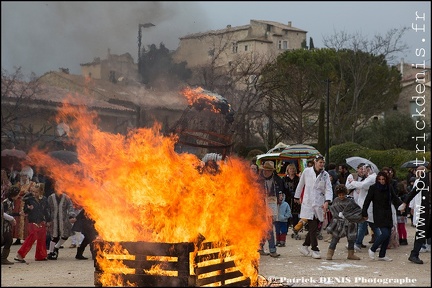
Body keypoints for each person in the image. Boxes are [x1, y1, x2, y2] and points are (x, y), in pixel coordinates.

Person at [294, 154, 333, 259]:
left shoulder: (325, 175)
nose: (322, 164)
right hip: (308, 203)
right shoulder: (307, 172)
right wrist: (297, 197)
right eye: (320, 162)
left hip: (319, 204)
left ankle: (305, 246)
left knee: (314, 228)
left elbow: (328, 189)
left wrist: (327, 201)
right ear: (315, 162)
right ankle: (315, 249)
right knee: (313, 227)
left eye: (323, 163)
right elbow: (300, 184)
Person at [363, 171, 403, 261]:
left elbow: (394, 197)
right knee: (384, 233)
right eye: (380, 179)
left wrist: (402, 205)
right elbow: (367, 200)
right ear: (377, 179)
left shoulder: (389, 187)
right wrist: (364, 212)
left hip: (388, 213)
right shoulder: (373, 188)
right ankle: (373, 248)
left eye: (383, 179)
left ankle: (382, 255)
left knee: (388, 235)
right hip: (378, 213)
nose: (381, 181)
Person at [398, 165, 430, 264]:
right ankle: (414, 254)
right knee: (421, 232)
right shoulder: (426, 177)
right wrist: (405, 203)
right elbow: (414, 191)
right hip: (426, 209)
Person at [346, 164, 379, 250]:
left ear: (369, 170)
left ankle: (358, 243)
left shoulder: (372, 178)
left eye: (364, 170)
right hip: (365, 204)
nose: (363, 172)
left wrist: (352, 181)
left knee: (366, 224)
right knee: (369, 225)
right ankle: (359, 243)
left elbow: (362, 185)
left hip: (368, 205)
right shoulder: (370, 178)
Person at [14, 183, 50, 263]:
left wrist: (48, 220)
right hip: (32, 220)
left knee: (42, 238)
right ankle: (20, 254)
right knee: (32, 236)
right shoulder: (29, 199)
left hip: (41, 220)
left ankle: (41, 255)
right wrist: (28, 208)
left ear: (41, 192)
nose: (34, 194)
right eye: (33, 191)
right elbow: (25, 211)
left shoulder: (44, 199)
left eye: (36, 192)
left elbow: (46, 211)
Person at [325, 184, 362, 260]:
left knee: (351, 239)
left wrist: (347, 215)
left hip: (350, 222)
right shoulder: (335, 200)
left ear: (345, 193)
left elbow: (357, 210)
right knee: (335, 238)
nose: (341, 196)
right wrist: (338, 216)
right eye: (339, 195)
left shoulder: (350, 201)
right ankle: (330, 253)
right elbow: (333, 210)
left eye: (343, 195)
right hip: (338, 223)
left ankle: (350, 254)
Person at [257, 161, 284, 258]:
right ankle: (272, 250)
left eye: (269, 170)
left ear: (272, 171)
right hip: (260, 206)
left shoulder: (277, 179)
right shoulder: (258, 180)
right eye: (265, 170)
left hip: (272, 205)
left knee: (266, 228)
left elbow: (281, 191)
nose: (267, 172)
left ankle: (260, 247)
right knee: (268, 228)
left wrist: (280, 197)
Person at [47, 187, 76, 260]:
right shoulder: (51, 197)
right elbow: (47, 209)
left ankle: (56, 247)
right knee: (54, 237)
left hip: (64, 220)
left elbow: (70, 207)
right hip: (54, 220)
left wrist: (71, 216)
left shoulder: (66, 197)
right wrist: (48, 219)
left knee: (65, 235)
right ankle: (51, 252)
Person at [12, 166, 34, 245]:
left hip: (26, 204)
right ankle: (18, 238)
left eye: (24, 175)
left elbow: (34, 194)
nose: (23, 177)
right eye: (22, 175)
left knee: (26, 221)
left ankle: (27, 238)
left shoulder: (32, 184)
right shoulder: (18, 184)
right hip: (18, 205)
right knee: (17, 220)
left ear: (28, 176)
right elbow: (13, 192)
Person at [1, 185, 20, 265]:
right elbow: (3, 213)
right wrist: (11, 218)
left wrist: (18, 214)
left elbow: (10, 213)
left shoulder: (11, 202)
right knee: (8, 240)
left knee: (6, 240)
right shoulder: (5, 202)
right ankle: (3, 258)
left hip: (7, 225)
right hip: (3, 225)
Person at [282, 163, 300, 228]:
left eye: (293, 169)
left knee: (295, 214)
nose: (291, 170)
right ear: (288, 170)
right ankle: (286, 228)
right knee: (286, 213)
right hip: (287, 198)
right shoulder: (284, 179)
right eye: (290, 169)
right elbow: (283, 188)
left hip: (296, 198)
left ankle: (296, 229)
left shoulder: (298, 179)